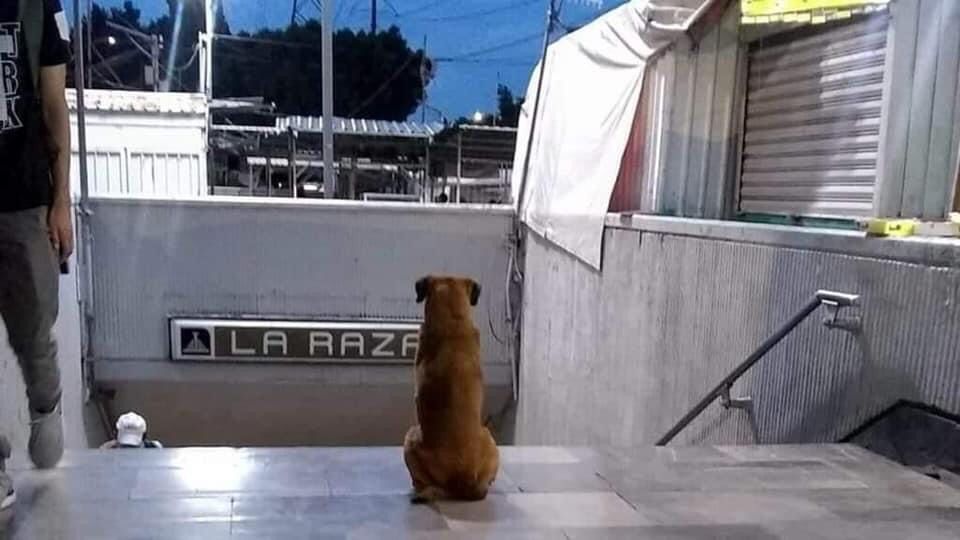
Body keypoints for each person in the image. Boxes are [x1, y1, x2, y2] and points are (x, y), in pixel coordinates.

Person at [0, 0, 73, 512]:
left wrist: (61, 199)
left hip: (24, 199)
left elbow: (53, 104)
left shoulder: (34, 5)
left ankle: (45, 404)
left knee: (33, 331)